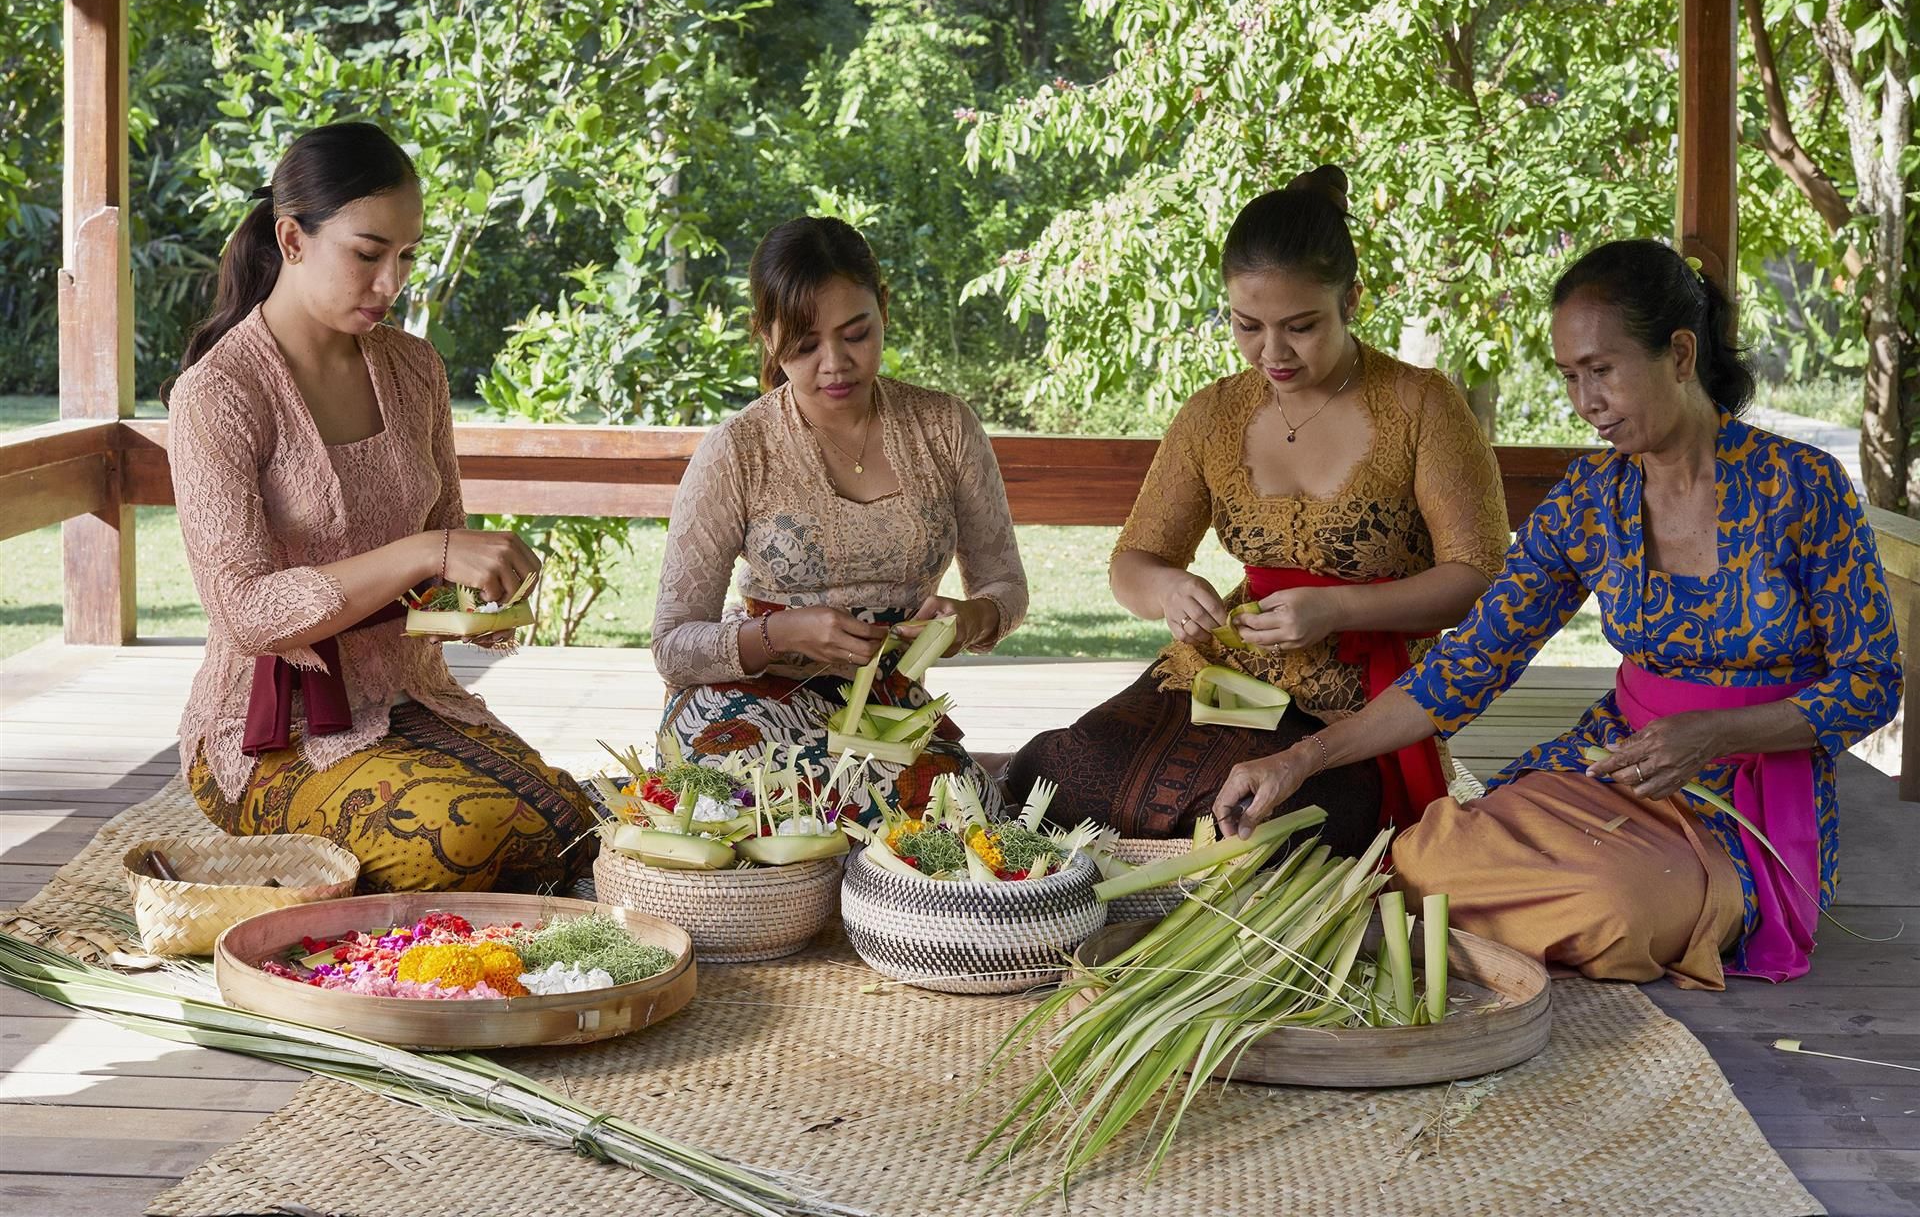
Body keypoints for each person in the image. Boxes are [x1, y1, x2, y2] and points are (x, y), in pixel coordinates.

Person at [1213, 238, 1902, 987]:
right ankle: (1511, 917)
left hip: (1747, 797)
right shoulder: (1590, 498)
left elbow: (1871, 683)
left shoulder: (1802, 487)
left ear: (1679, 354)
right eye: (1570, 376)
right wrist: (1301, 758)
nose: (1586, 401)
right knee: (1422, 854)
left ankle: (1507, 921)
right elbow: (1466, 665)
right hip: (1615, 762)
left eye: (1602, 371)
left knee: (1620, 908)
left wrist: (1716, 733)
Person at [1008, 166, 1511, 850]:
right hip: (1227, 670)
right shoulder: (1214, 414)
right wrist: (1168, 590)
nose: (1272, 352)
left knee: (1269, 822)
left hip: (1362, 695)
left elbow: (1479, 579)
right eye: (1247, 325)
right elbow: (1134, 561)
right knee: (1062, 776)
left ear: (1352, 300)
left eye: (1301, 327)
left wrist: (1337, 610)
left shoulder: (1421, 406)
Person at [169, 122, 595, 893]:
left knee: (573, 826)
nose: (390, 283)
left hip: (414, 697)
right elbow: (246, 613)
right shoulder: (219, 394)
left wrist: (487, 588)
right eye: (368, 254)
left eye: (406, 257)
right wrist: (427, 553)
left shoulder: (415, 368)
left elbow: (445, 557)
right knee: (463, 841)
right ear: (292, 239)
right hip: (272, 737)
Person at [650, 216, 1028, 817]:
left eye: (856, 335)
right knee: (758, 790)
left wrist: (973, 617)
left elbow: (1005, 585)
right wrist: (780, 635)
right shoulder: (739, 448)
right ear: (766, 336)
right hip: (750, 703)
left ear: (884, 309)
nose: (834, 364)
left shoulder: (945, 428)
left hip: (886, 711)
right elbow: (672, 646)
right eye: (804, 347)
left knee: (963, 809)